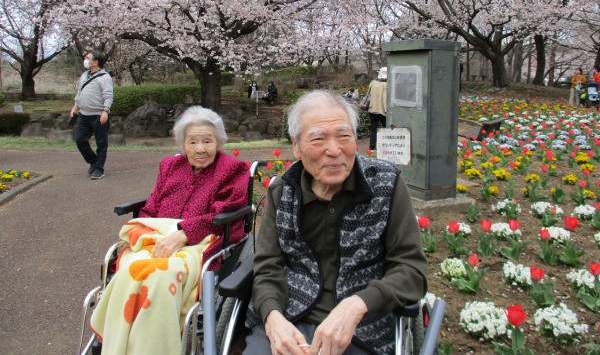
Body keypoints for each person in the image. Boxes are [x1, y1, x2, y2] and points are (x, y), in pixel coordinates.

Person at [244, 90, 427, 355]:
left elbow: (411, 269)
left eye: (344, 136)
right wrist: (273, 318)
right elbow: (267, 267)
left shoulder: (386, 184)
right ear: (296, 146)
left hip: (364, 327)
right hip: (291, 319)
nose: (334, 150)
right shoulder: (282, 192)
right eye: (318, 138)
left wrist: (357, 305)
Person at [90, 106, 249, 354]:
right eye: (192, 142)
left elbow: (228, 210)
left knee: (162, 276)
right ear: (182, 144)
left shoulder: (232, 169)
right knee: (131, 269)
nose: (200, 149)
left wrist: (185, 233)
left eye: (207, 141)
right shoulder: (170, 166)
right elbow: (152, 206)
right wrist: (145, 233)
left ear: (218, 142)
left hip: (201, 243)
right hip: (157, 239)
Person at [70, 50, 114, 180]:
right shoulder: (84, 75)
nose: (85, 60)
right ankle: (93, 161)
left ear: (95, 62)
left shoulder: (105, 77)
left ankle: (99, 169)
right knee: (80, 140)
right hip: (84, 114)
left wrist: (105, 111)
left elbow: (108, 95)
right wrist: (75, 107)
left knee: (101, 143)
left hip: (98, 115)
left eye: (88, 58)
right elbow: (80, 92)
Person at [367, 67, 387, 151]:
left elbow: (368, 94)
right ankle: (385, 146)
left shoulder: (373, 82)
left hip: (372, 109)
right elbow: (385, 99)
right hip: (382, 111)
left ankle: (372, 146)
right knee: (386, 128)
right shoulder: (386, 84)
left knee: (373, 129)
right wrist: (386, 110)